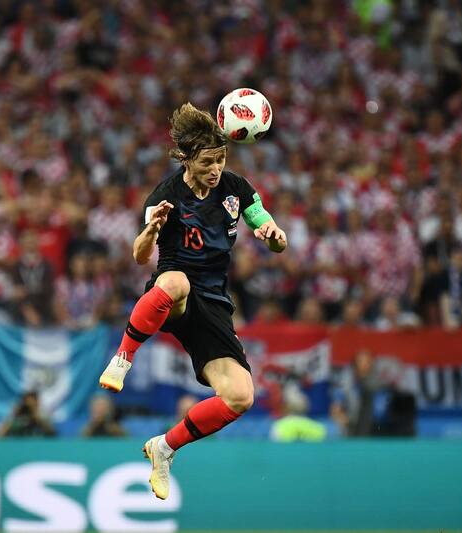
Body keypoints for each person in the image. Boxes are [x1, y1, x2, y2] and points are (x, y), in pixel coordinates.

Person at [97, 103, 287, 500]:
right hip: (172, 290)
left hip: (214, 301)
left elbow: (266, 224)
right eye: (207, 162)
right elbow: (138, 254)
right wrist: (151, 230)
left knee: (240, 396)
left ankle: (164, 448)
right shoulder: (166, 194)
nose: (215, 169)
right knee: (176, 281)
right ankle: (123, 358)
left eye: (220, 160)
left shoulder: (236, 188)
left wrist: (273, 235)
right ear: (186, 159)